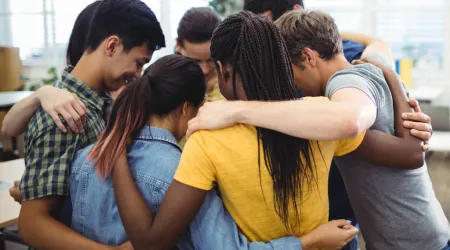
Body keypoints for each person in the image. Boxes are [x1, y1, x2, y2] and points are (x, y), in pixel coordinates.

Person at [108, 11, 429, 250]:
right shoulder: (318, 115)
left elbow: (151, 242)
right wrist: (398, 90)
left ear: (223, 71)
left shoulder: (208, 139)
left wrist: (117, 152)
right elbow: (408, 154)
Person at [71, 54, 311, 249]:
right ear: (186, 109)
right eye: (201, 106)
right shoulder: (184, 171)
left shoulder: (88, 156)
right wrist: (306, 242)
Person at [241, 2, 417, 249]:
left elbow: (405, 150)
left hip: (348, 216)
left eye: (265, 20)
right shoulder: (321, 64)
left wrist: (236, 112)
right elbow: (378, 49)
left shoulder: (342, 84)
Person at [15, 0, 166, 249]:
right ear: (112, 45)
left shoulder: (100, 103)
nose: (138, 74)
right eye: (139, 63)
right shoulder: (66, 115)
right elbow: (32, 224)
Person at [176, 7, 224, 102]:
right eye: (195, 61)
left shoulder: (240, 84)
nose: (205, 70)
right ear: (178, 45)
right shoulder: (164, 85)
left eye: (211, 60)